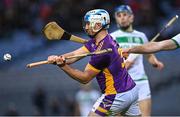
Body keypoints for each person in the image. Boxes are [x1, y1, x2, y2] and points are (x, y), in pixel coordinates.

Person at [47, 9, 141, 116]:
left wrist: (63, 65)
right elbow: (74, 56)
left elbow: (84, 78)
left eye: (88, 24)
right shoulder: (105, 40)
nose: (86, 27)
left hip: (115, 95)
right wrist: (59, 58)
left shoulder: (102, 52)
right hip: (131, 91)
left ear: (98, 25)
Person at [110, 5, 164, 116]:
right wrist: (121, 64)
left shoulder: (141, 36)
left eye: (125, 15)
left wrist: (155, 62)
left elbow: (149, 54)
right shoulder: (112, 37)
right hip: (121, 84)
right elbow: (109, 61)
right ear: (116, 18)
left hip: (141, 82)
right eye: (119, 15)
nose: (122, 18)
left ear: (131, 17)